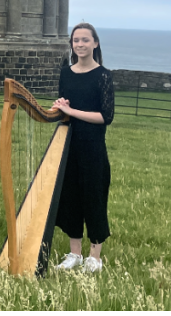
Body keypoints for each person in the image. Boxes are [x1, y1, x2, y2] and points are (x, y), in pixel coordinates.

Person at [52, 22, 115, 274]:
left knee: (94, 197)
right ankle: (74, 253)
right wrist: (60, 106)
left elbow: (105, 116)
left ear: (95, 43)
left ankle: (94, 257)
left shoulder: (103, 75)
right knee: (71, 198)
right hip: (68, 143)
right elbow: (64, 107)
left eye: (85, 40)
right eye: (76, 40)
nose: (80, 44)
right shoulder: (66, 72)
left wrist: (71, 111)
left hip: (92, 145)